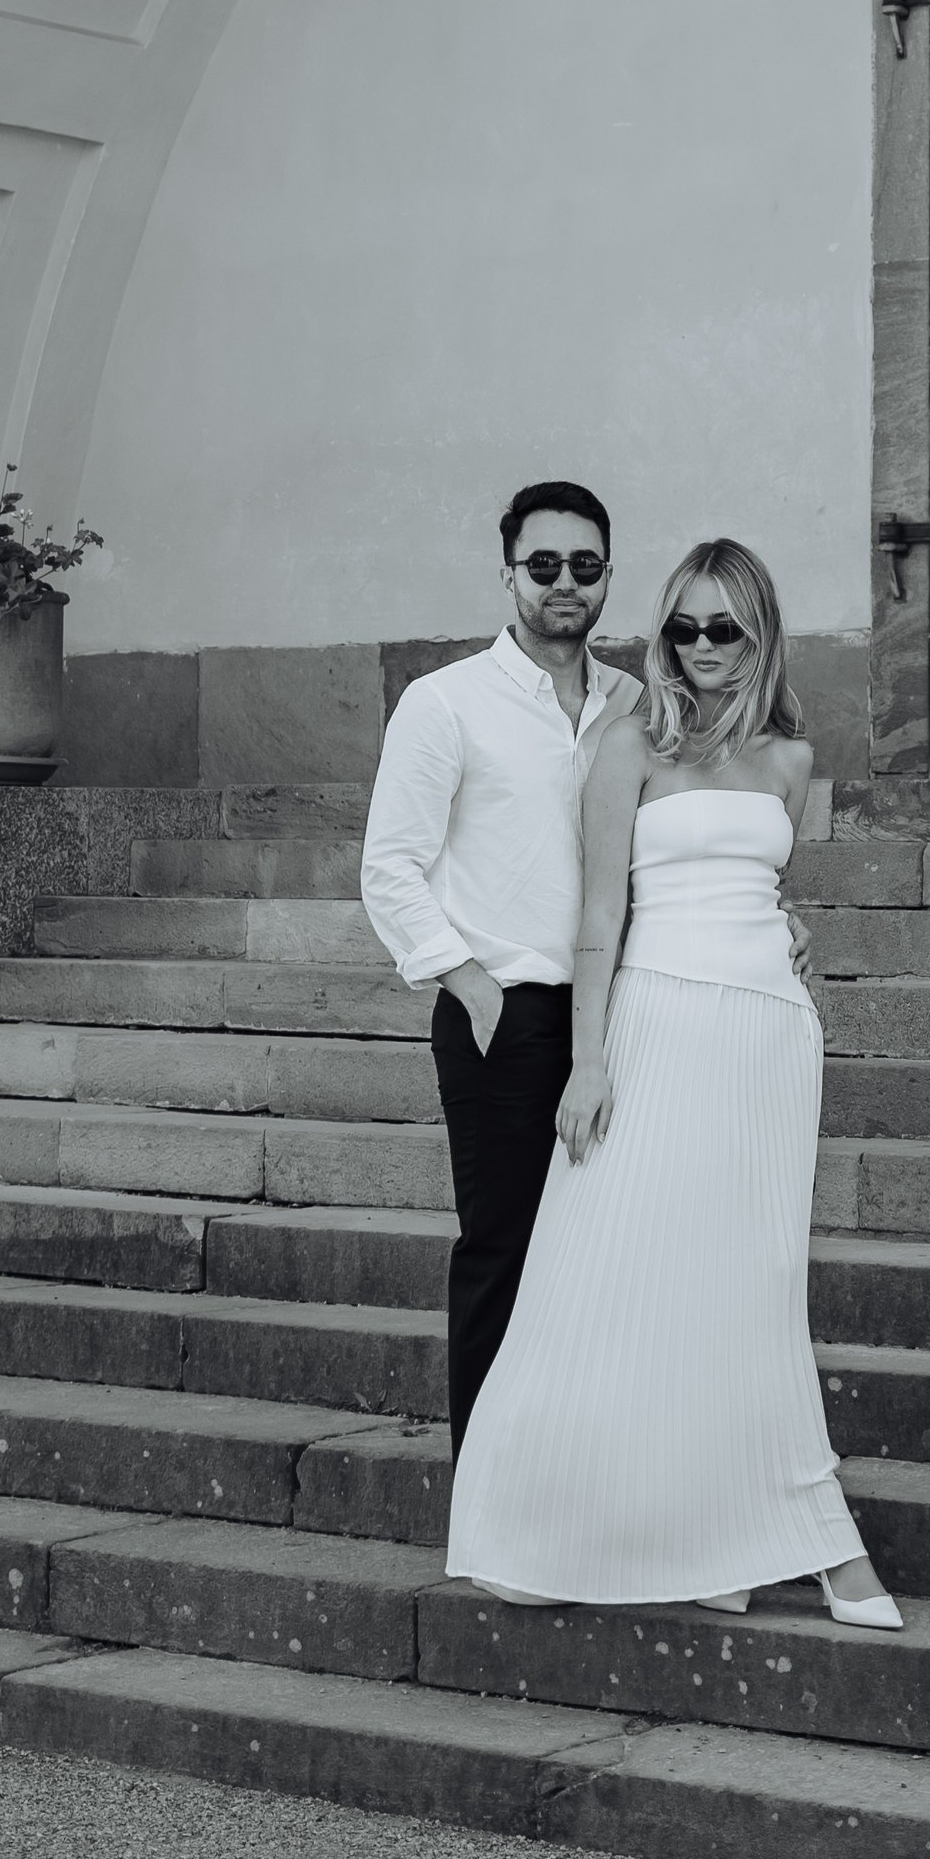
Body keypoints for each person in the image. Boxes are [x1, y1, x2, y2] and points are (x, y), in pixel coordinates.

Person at [443, 536, 901, 1628]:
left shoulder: (792, 760)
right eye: (681, 628)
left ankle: (728, 1543)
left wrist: (795, 928)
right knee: (602, 1268)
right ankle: (630, 1526)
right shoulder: (629, 744)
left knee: (751, 1283)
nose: (699, 647)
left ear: (760, 633)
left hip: (768, 1035)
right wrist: (589, 1060)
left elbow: (760, 886)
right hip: (655, 1021)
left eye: (722, 628)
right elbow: (601, 916)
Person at [359, 482, 642, 1447]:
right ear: (508, 574)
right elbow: (389, 867)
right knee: (502, 1254)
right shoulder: (446, 702)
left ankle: (567, 1473)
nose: (565, 583)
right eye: (543, 564)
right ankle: (481, 1486)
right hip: (503, 1016)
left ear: (607, 575)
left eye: (585, 565)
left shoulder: (634, 705)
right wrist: (470, 984)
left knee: (600, 1260)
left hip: (612, 1016)